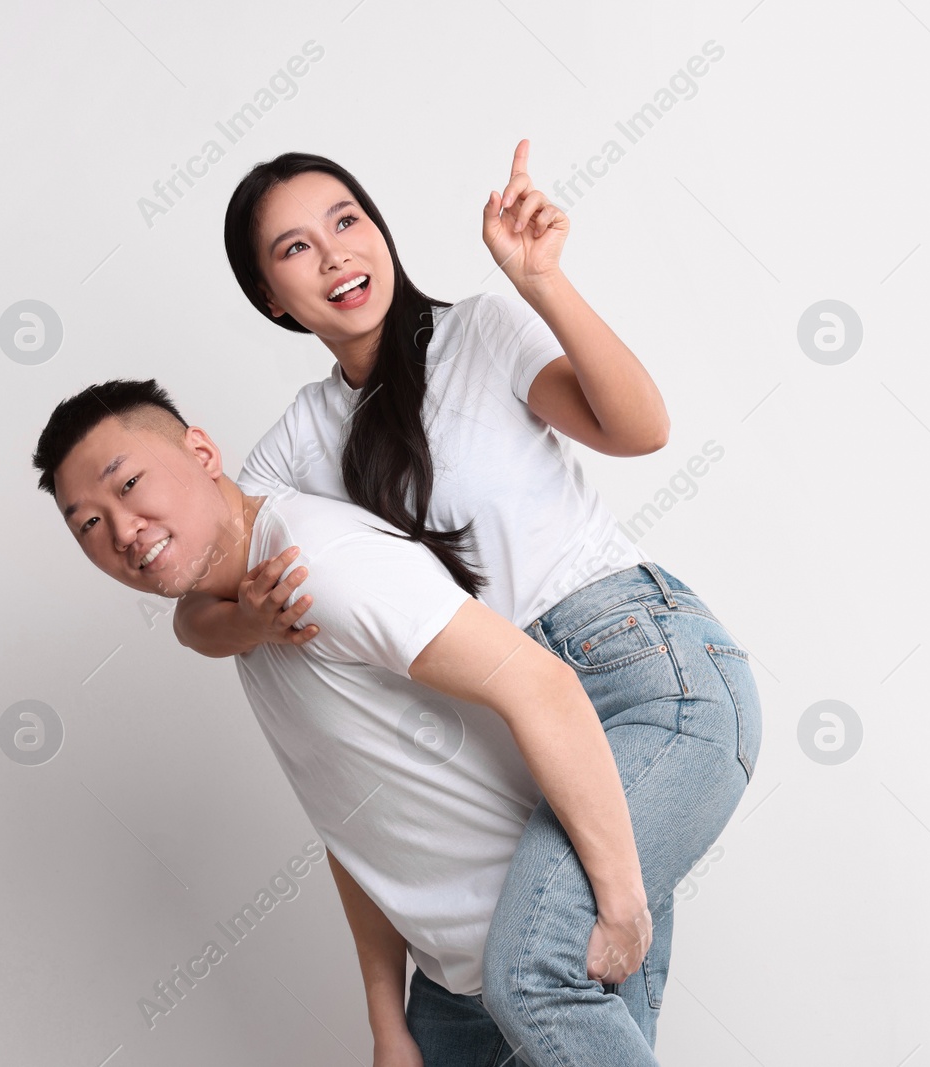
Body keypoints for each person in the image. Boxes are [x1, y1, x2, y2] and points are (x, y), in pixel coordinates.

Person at [171, 139, 762, 1064]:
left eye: (346, 221)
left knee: (533, 973)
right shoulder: (298, 441)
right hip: (528, 745)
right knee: (494, 1011)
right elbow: (199, 606)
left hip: (647, 677)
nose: (335, 256)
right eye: (294, 250)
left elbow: (640, 428)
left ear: (380, 230)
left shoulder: (479, 331)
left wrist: (544, 283)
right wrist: (249, 613)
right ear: (271, 299)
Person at [31, 379, 653, 1066]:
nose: (120, 531)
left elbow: (545, 686)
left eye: (128, 485)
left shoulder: (315, 568)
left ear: (202, 451)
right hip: (452, 987)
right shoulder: (252, 619)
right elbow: (355, 830)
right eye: (87, 522)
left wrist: (622, 908)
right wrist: (388, 1025)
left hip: (548, 955)